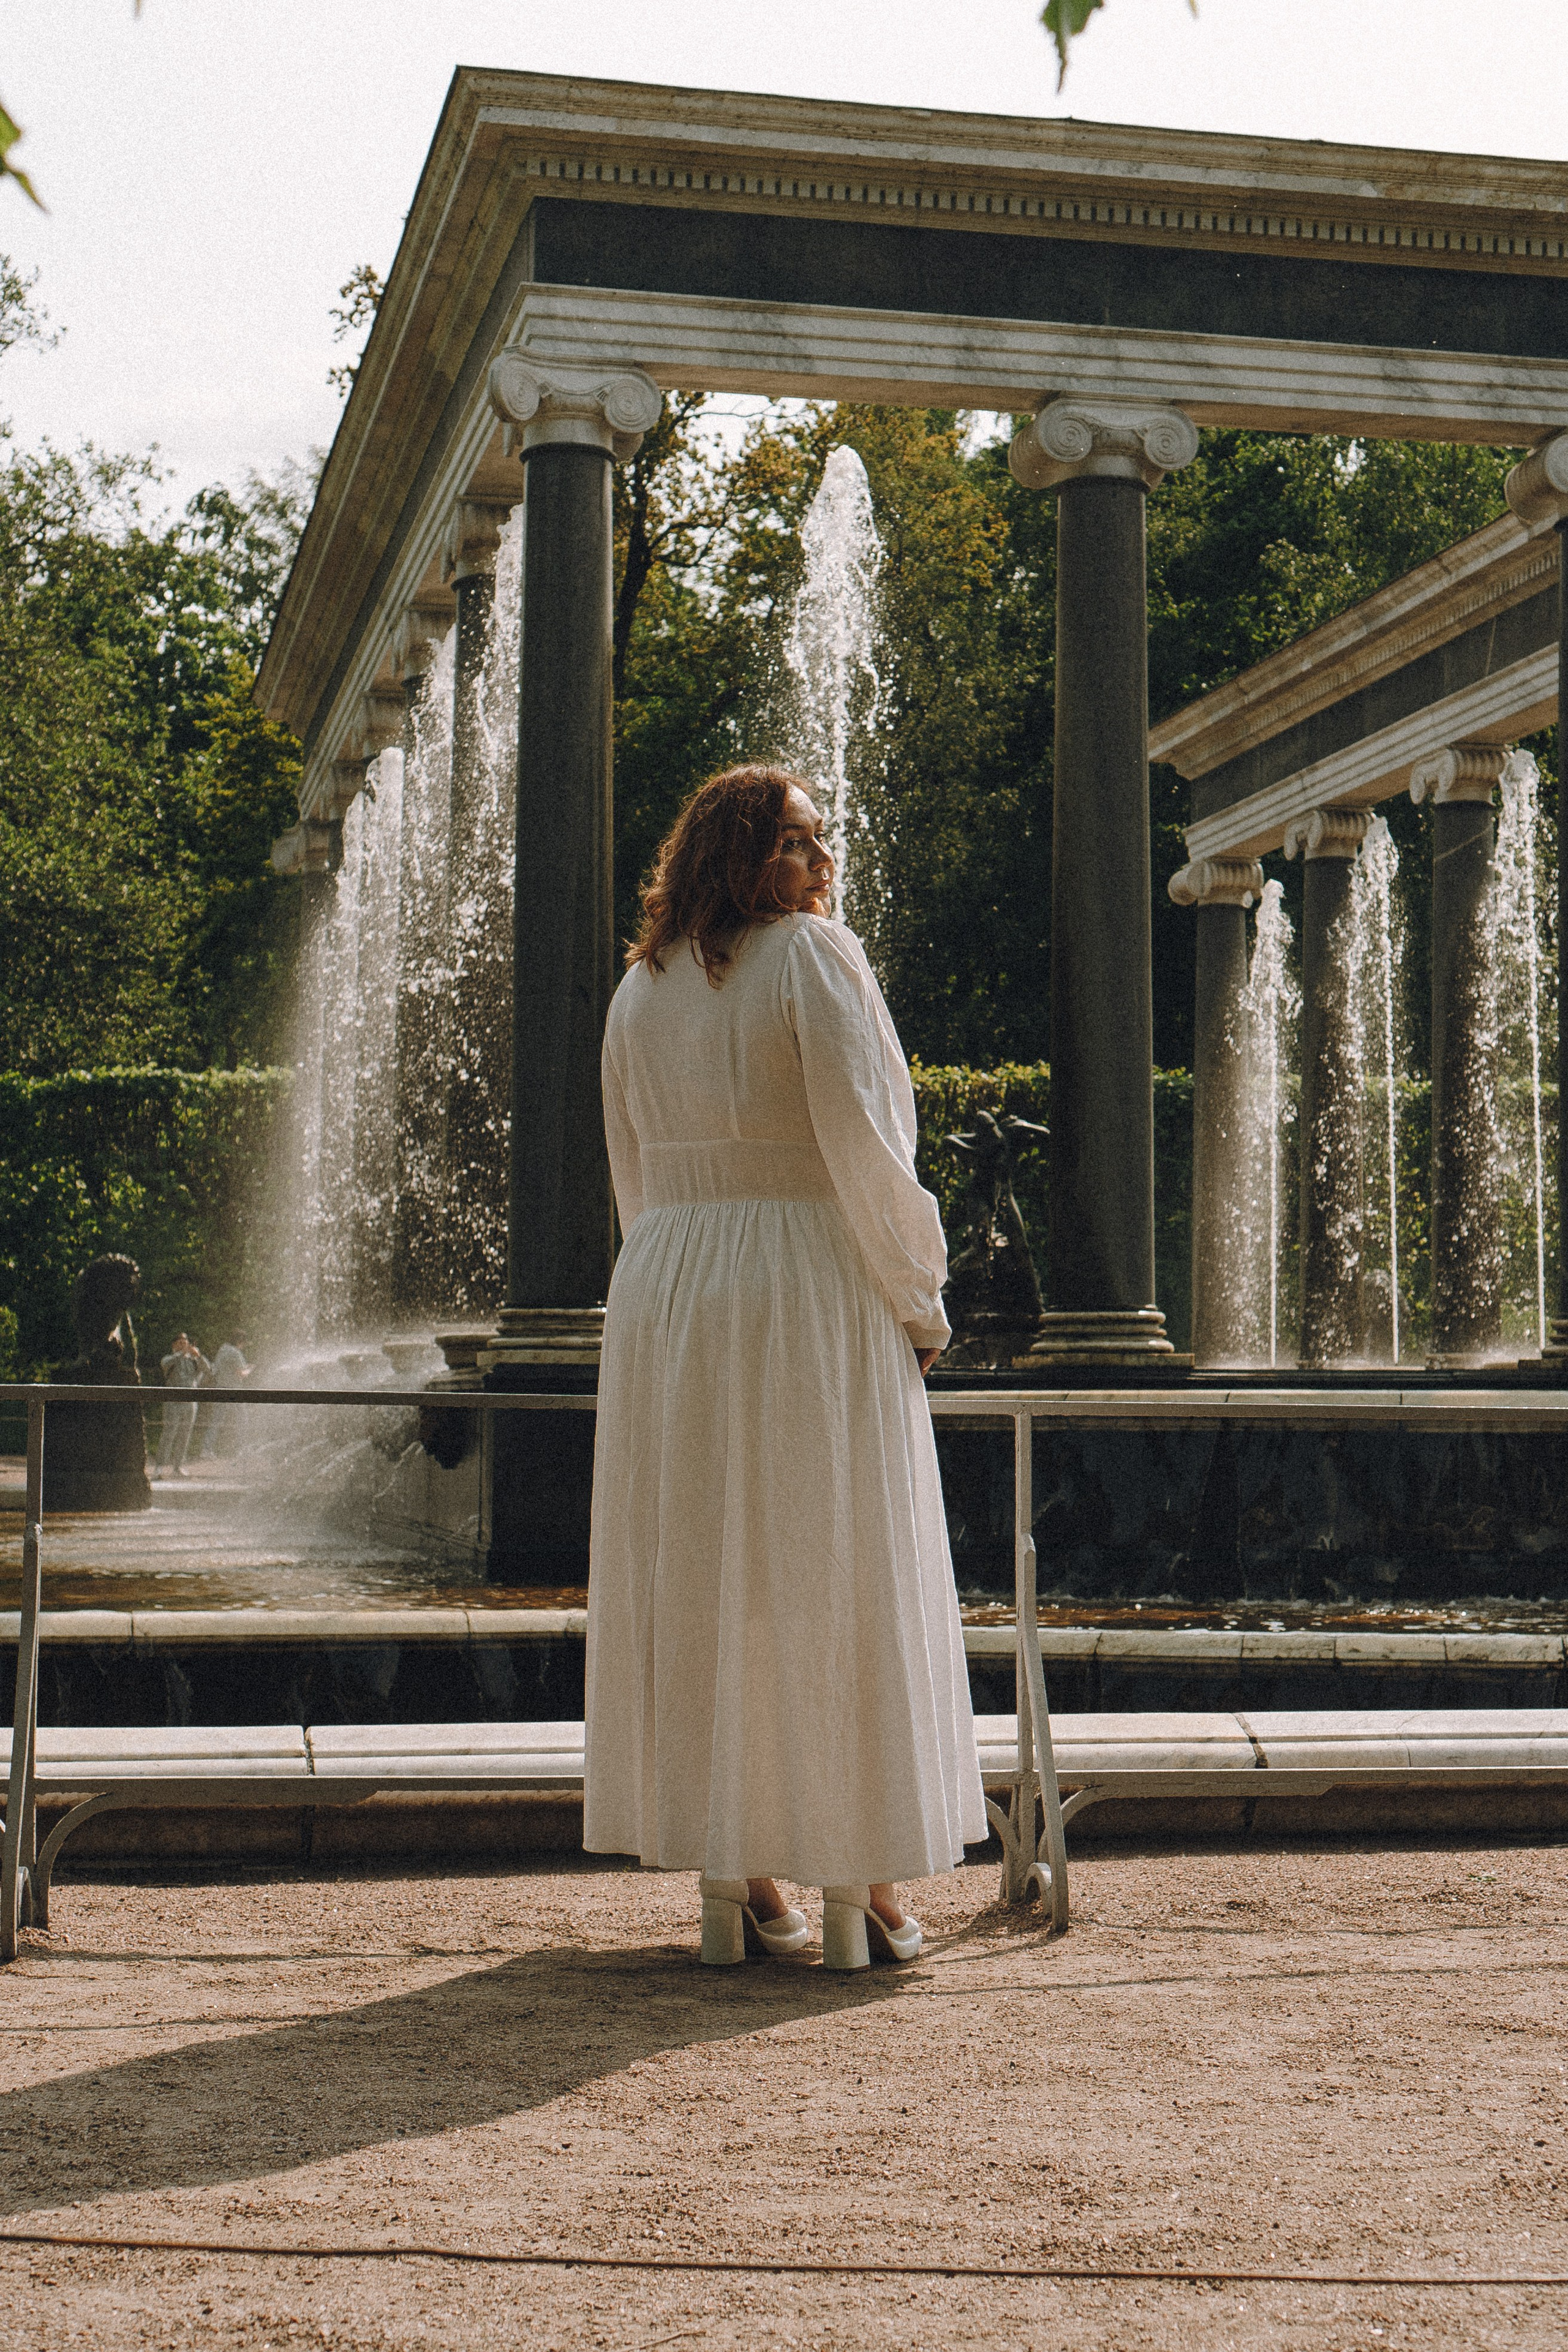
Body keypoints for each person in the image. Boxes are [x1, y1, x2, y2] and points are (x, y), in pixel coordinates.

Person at [585, 764, 986, 1970]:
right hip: (801, 1279)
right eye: (796, 842)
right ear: (739, 856)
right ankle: (861, 1885)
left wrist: (666, 1280)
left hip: (669, 1289)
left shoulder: (638, 990)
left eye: (818, 841)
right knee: (837, 1563)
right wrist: (918, 1301)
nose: (819, 862)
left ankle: (741, 1878)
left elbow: (632, 1172)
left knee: (709, 1578)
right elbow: (865, 1146)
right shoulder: (812, 958)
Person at [155, 1333, 210, 1479]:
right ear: (174, 1345)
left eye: (185, 1343)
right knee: (169, 1434)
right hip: (173, 1402)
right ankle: (160, 1467)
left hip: (190, 1403)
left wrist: (199, 1356)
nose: (184, 1345)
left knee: (185, 1435)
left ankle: (178, 1466)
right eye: (180, 1343)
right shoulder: (170, 1359)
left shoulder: (193, 1360)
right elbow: (165, 1364)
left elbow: (208, 1370)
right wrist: (182, 1354)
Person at [198, 1329, 251, 1459]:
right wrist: (250, 1370)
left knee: (216, 1420)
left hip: (221, 1389)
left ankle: (206, 1449)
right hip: (234, 1391)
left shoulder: (223, 1350)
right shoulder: (236, 1352)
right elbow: (241, 1373)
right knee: (242, 1420)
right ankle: (241, 1450)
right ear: (240, 1341)